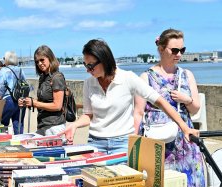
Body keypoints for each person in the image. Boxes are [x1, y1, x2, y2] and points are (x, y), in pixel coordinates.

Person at [61, 39, 199, 155]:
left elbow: (160, 101)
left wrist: (184, 127)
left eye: (90, 65)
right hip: (95, 142)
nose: (87, 70)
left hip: (122, 143)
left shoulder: (128, 78)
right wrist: (75, 125)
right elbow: (88, 115)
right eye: (86, 65)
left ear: (104, 60)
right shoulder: (88, 83)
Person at [133, 28, 205, 187]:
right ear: (161, 49)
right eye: (174, 50)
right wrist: (134, 145)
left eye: (182, 50)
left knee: (190, 186)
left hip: (185, 141)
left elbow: (194, 110)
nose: (179, 54)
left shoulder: (187, 75)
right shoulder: (146, 77)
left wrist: (187, 100)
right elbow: (138, 112)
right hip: (158, 143)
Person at [18, 45, 66, 136]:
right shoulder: (42, 78)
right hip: (42, 125)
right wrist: (28, 102)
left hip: (54, 126)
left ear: (50, 58)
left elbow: (57, 106)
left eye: (42, 60)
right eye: (37, 62)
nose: (39, 63)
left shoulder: (57, 77)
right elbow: (42, 102)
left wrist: (34, 103)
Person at [0, 51, 26, 135]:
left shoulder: (4, 70)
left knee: (2, 125)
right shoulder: (20, 70)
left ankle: (3, 144)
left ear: (7, 60)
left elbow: (0, 88)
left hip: (8, 101)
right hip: (20, 100)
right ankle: (19, 144)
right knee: (18, 126)